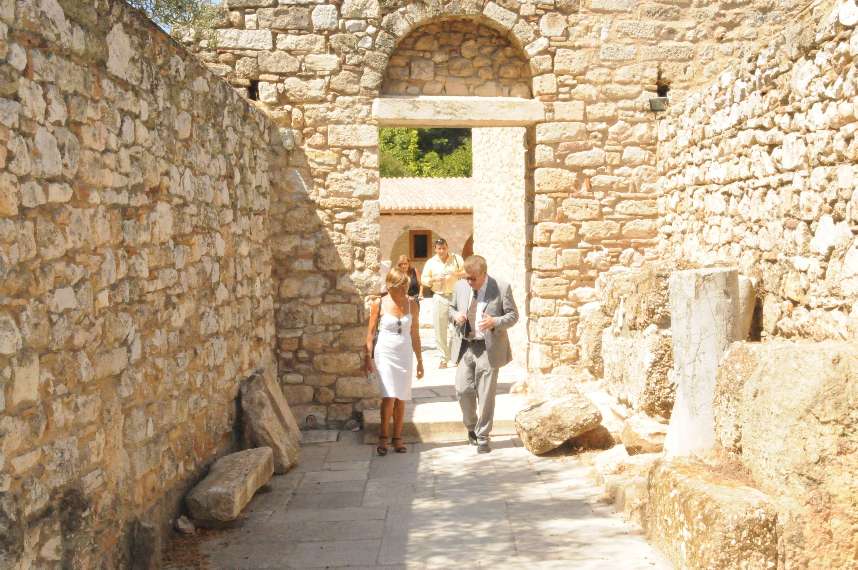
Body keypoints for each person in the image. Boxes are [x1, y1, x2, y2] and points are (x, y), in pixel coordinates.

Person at [449, 255, 518, 454]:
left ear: (484, 274)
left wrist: (494, 322)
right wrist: (456, 316)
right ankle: (471, 427)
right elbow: (451, 309)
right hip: (466, 346)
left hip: (489, 348)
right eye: (467, 278)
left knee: (486, 394)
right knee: (463, 389)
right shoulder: (460, 287)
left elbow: (513, 316)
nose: (469, 282)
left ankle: (483, 436)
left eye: (473, 279)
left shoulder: (501, 288)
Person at [365, 267, 425, 455]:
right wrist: (367, 357)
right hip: (385, 352)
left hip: (404, 352)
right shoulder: (379, 303)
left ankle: (397, 438)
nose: (403, 290)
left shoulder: (412, 304)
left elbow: (415, 334)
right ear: (390, 286)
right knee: (389, 395)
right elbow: (370, 333)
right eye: (399, 286)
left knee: (401, 396)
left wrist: (420, 360)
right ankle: (383, 437)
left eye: (405, 286)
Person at [420, 238, 465, 368]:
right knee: (440, 329)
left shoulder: (456, 259)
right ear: (435, 249)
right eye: (439, 249)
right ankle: (443, 358)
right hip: (439, 296)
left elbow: (465, 272)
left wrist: (454, 273)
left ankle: (455, 356)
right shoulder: (431, 262)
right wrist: (433, 279)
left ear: (447, 247)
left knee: (457, 327)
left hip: (456, 296)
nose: (441, 251)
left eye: (443, 248)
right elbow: (423, 279)